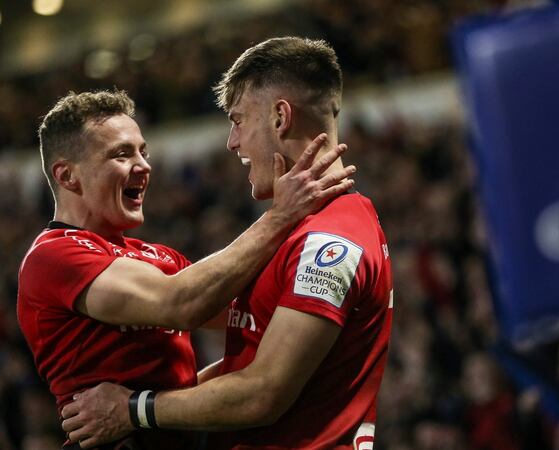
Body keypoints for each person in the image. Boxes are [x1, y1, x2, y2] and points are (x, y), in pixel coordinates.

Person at [61, 37, 394, 450]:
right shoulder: (301, 227)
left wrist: (135, 409)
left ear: (280, 117)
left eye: (238, 120)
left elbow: (262, 394)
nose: (232, 142)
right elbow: (247, 364)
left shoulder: (329, 242)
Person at [17, 89, 354, 449]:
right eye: (121, 153)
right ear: (67, 176)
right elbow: (180, 304)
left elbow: (253, 313)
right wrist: (280, 217)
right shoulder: (52, 257)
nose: (144, 165)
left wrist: (330, 263)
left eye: (143, 151)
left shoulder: (159, 258)